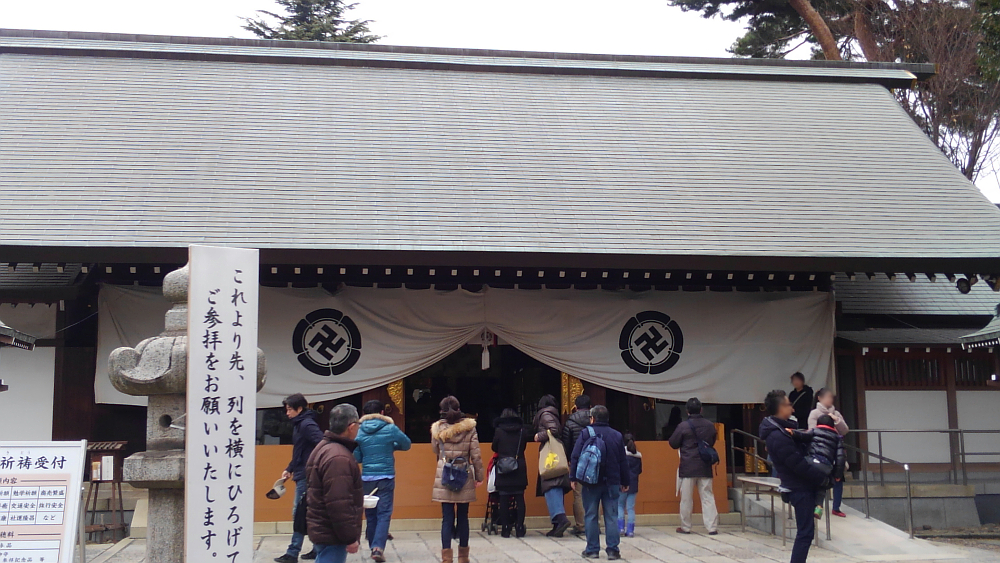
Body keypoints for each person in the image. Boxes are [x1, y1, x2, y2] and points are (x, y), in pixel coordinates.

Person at [760, 390, 828, 563]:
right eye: (789, 404)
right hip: (799, 487)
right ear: (781, 407)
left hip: (800, 485)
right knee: (805, 533)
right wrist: (820, 478)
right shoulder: (777, 435)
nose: (792, 408)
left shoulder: (783, 430)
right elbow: (797, 464)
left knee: (806, 532)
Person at [354, 400, 412, 562]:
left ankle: (373, 545)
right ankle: (378, 548)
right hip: (386, 476)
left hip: (367, 477)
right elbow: (406, 444)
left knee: (371, 513)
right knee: (384, 513)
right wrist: (391, 446)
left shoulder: (359, 431)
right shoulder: (390, 428)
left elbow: (357, 457)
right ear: (382, 412)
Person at [569, 405, 630, 560]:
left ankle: (592, 549)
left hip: (590, 483)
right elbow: (623, 461)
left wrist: (573, 477)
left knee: (590, 515)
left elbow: (575, 456)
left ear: (592, 418)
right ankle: (612, 550)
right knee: (611, 516)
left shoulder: (585, 433)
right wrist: (625, 481)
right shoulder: (617, 435)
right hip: (612, 481)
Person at [305, 403, 364, 563]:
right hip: (332, 532)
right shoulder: (338, 457)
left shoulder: (325, 447)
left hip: (324, 528)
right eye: (358, 425)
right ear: (351, 427)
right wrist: (349, 537)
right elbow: (338, 503)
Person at [431, 396, 484, 563]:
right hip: (463, 474)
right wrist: (479, 476)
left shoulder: (437, 428)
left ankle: (447, 558)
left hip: (445, 474)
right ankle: (463, 557)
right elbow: (475, 455)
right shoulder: (470, 428)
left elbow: (435, 450)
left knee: (447, 518)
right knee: (463, 517)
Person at [276, 393, 324, 563]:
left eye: (290, 410)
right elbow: (300, 451)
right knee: (305, 512)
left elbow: (321, 443)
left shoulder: (306, 424)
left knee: (300, 512)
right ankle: (317, 549)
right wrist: (289, 468)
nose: (287, 413)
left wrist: (311, 466)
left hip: (307, 475)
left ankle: (293, 552)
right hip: (301, 472)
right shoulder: (299, 424)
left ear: (300, 409)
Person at [668, 397, 719, 535]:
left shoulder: (683, 426)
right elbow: (712, 441)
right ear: (701, 409)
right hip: (704, 465)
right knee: (707, 497)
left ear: (687, 411)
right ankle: (712, 527)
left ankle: (685, 526)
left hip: (688, 466)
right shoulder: (709, 425)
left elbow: (673, 443)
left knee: (686, 499)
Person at [792, 414, 846, 519]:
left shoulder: (814, 431)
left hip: (811, 462)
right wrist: (838, 474)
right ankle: (819, 506)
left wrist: (793, 433)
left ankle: (805, 505)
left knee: (806, 482)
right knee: (822, 485)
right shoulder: (837, 438)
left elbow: (803, 436)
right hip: (826, 466)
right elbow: (840, 458)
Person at [533, 394, 573, 537]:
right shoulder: (551, 413)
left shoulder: (545, 414)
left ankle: (561, 519)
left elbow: (554, 430)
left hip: (551, 455)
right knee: (554, 486)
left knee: (551, 486)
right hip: (554, 454)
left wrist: (539, 436)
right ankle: (557, 527)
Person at [807, 389, 849, 518]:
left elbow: (845, 430)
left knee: (838, 477)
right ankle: (816, 505)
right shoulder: (814, 413)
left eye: (831, 397)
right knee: (820, 479)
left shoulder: (836, 413)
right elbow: (812, 431)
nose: (830, 400)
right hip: (821, 451)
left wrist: (836, 420)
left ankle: (836, 507)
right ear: (819, 398)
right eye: (827, 397)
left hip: (834, 448)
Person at [492, 408, 532, 538]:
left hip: (503, 467)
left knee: (503, 498)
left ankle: (505, 528)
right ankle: (519, 527)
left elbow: (494, 447)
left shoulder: (499, 431)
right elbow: (524, 446)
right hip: (518, 465)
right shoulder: (522, 431)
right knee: (519, 497)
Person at [561, 394, 592, 535]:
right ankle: (594, 524)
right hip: (595, 460)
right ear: (590, 407)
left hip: (578, 460)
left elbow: (566, 443)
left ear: (576, 407)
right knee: (593, 492)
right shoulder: (595, 420)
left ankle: (581, 525)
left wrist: (569, 459)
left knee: (578, 494)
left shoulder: (570, 422)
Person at [617, 433, 642, 538]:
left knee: (620, 506)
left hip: (622, 483)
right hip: (634, 484)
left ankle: (620, 528)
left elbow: (619, 469)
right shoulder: (638, 456)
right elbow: (640, 471)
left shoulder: (621, 454)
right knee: (630, 508)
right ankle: (630, 531)